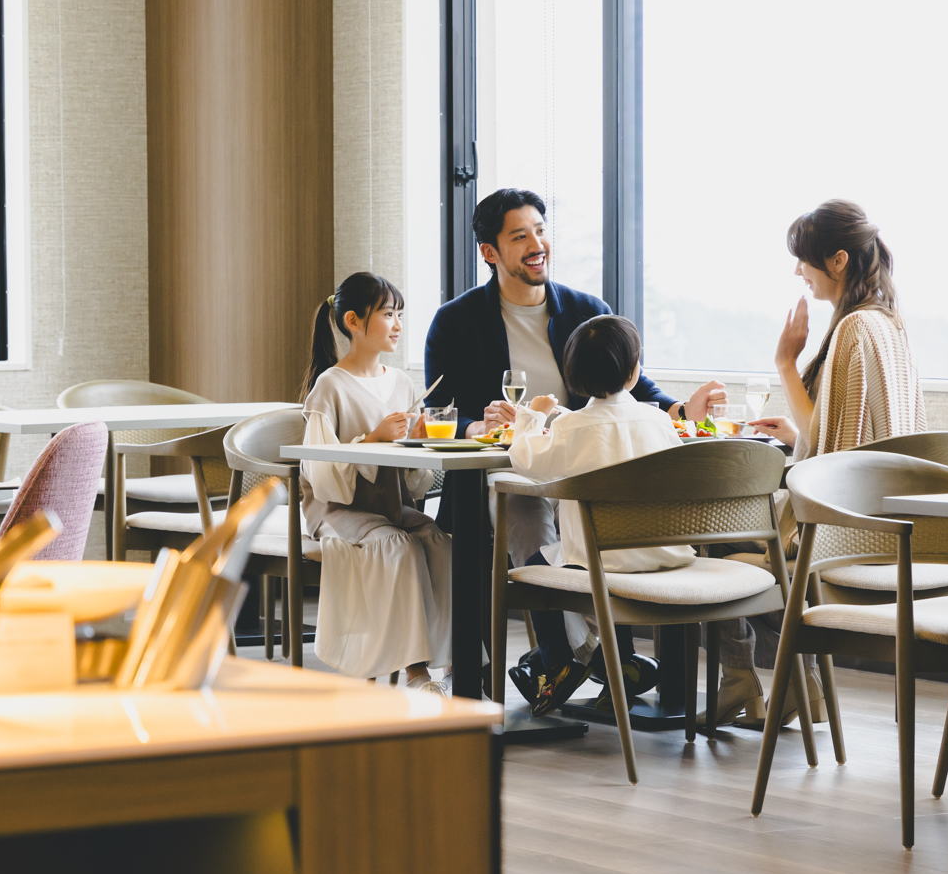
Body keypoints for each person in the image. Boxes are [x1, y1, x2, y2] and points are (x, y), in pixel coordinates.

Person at [425, 187, 722, 691]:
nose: (537, 244)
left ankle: (568, 659)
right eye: (520, 236)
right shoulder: (456, 322)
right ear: (490, 253)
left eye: (540, 231)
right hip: (499, 477)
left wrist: (678, 410)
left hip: (581, 467)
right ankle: (586, 653)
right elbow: (437, 409)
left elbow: (632, 382)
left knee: (581, 513)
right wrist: (472, 425)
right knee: (525, 509)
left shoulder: (586, 310)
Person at [710, 198, 929, 726]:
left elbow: (833, 460)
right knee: (738, 542)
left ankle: (750, 678)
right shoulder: (886, 322)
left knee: (713, 541)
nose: (796, 271)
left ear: (836, 261)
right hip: (885, 513)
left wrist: (785, 363)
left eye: (803, 259)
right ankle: (792, 686)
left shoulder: (855, 329)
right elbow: (839, 436)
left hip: (847, 528)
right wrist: (798, 434)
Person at [505, 315, 695, 711]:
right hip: (666, 556)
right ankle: (618, 663)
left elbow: (524, 460)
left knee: (534, 570)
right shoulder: (658, 419)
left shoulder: (573, 426)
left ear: (573, 374)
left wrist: (533, 415)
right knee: (599, 560)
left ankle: (557, 664)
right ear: (633, 371)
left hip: (599, 564)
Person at [299, 272, 452, 690]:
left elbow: (415, 485)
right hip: (336, 511)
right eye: (388, 314)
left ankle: (453, 660)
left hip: (385, 506)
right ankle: (415, 670)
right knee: (397, 546)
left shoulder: (401, 382)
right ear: (353, 321)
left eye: (399, 314)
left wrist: (415, 442)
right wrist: (372, 439)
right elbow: (321, 474)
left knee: (438, 541)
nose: (398, 325)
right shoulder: (329, 386)